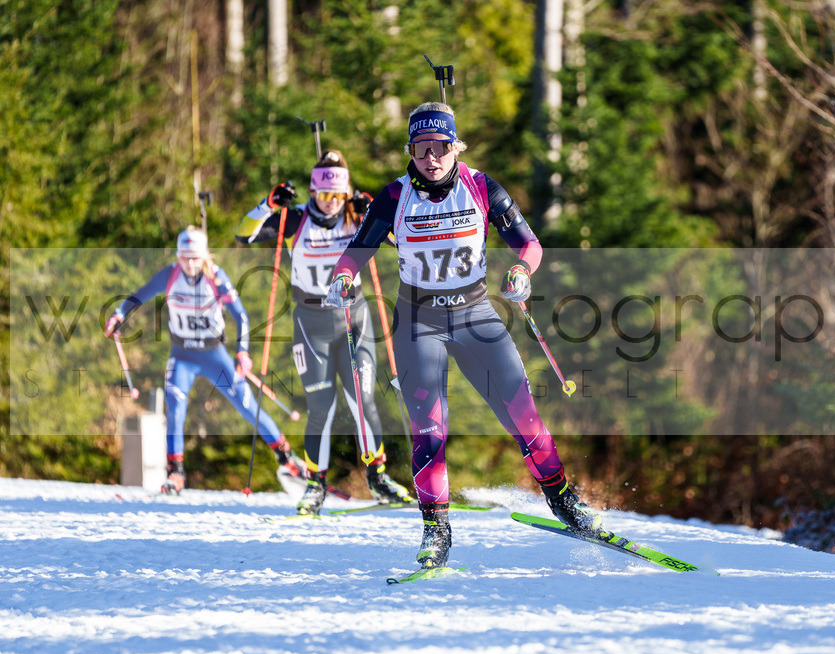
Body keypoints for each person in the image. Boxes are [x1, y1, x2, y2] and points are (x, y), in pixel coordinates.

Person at [325, 102, 604, 569]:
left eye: (440, 148)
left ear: (455, 147)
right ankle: (436, 529)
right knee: (429, 430)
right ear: (410, 151)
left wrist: (520, 270)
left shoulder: (480, 186)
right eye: (420, 149)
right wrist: (342, 279)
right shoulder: (395, 197)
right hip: (419, 322)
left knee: (525, 417)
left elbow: (530, 244)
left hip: (476, 315)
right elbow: (356, 252)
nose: (431, 158)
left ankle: (564, 502)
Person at [237, 150, 413, 515]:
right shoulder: (295, 219)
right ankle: (315, 485)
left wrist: (377, 212)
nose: (330, 203)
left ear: (346, 194)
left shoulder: (357, 217)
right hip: (310, 323)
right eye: (322, 195)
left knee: (362, 401)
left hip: (353, 320)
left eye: (337, 196)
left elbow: (402, 241)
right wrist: (267, 204)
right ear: (312, 193)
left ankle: (378, 477)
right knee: (321, 408)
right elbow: (244, 235)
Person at [104, 228, 302, 494]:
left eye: (196, 258)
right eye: (185, 257)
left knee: (247, 407)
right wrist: (118, 316)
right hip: (182, 356)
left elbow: (241, 316)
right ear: (178, 256)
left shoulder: (216, 278)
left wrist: (242, 352)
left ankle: (286, 458)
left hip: (214, 356)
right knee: (175, 410)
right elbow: (139, 296)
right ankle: (176, 474)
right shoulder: (170, 274)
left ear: (205, 256)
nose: (191, 263)